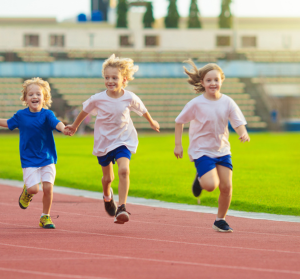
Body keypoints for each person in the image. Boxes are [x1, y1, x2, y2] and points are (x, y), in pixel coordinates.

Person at [65, 54, 160, 224]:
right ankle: (107, 196)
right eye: (107, 77)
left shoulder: (129, 97)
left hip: (123, 139)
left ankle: (122, 207)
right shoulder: (98, 98)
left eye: (114, 77)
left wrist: (152, 122)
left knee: (124, 170)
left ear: (123, 79)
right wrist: (74, 126)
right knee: (108, 178)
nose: (110, 81)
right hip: (104, 141)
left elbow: (142, 109)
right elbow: (84, 111)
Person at [174, 61, 250, 233]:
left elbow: (238, 122)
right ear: (202, 83)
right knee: (210, 185)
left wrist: (242, 133)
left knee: (226, 187)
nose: (213, 83)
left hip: (222, 150)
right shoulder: (196, 103)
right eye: (209, 80)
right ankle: (201, 179)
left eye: (216, 80)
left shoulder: (228, 102)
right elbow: (179, 122)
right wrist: (178, 145)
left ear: (222, 80)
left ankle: (220, 220)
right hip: (202, 151)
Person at [0, 77, 66, 229]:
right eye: (31, 94)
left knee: (48, 187)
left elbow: (57, 123)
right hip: (29, 159)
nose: (35, 97)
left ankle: (45, 217)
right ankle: (27, 191)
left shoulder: (47, 114)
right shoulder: (21, 115)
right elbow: (8, 123)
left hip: (47, 157)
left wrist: (64, 129)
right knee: (33, 189)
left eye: (38, 94)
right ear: (25, 98)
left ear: (45, 98)